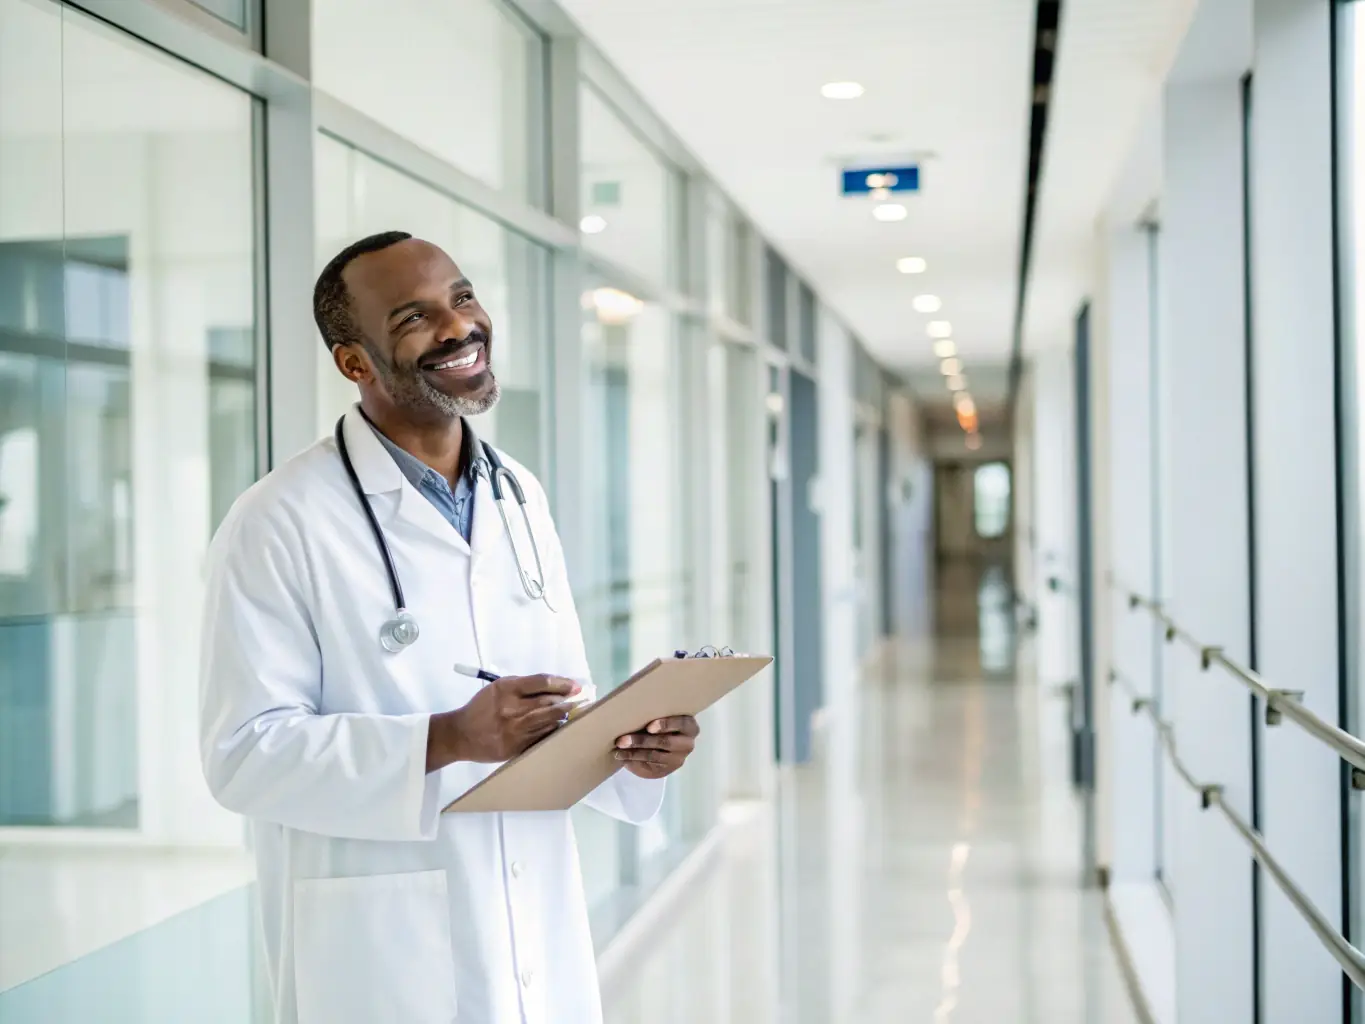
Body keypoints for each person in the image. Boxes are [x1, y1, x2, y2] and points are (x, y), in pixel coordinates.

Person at [199, 231, 701, 1024]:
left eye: (462, 296)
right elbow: (243, 756)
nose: (458, 325)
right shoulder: (277, 520)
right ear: (354, 362)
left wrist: (630, 749)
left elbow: (560, 696)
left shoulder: (517, 494)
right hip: (385, 949)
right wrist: (446, 739)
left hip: (531, 903)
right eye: (413, 317)